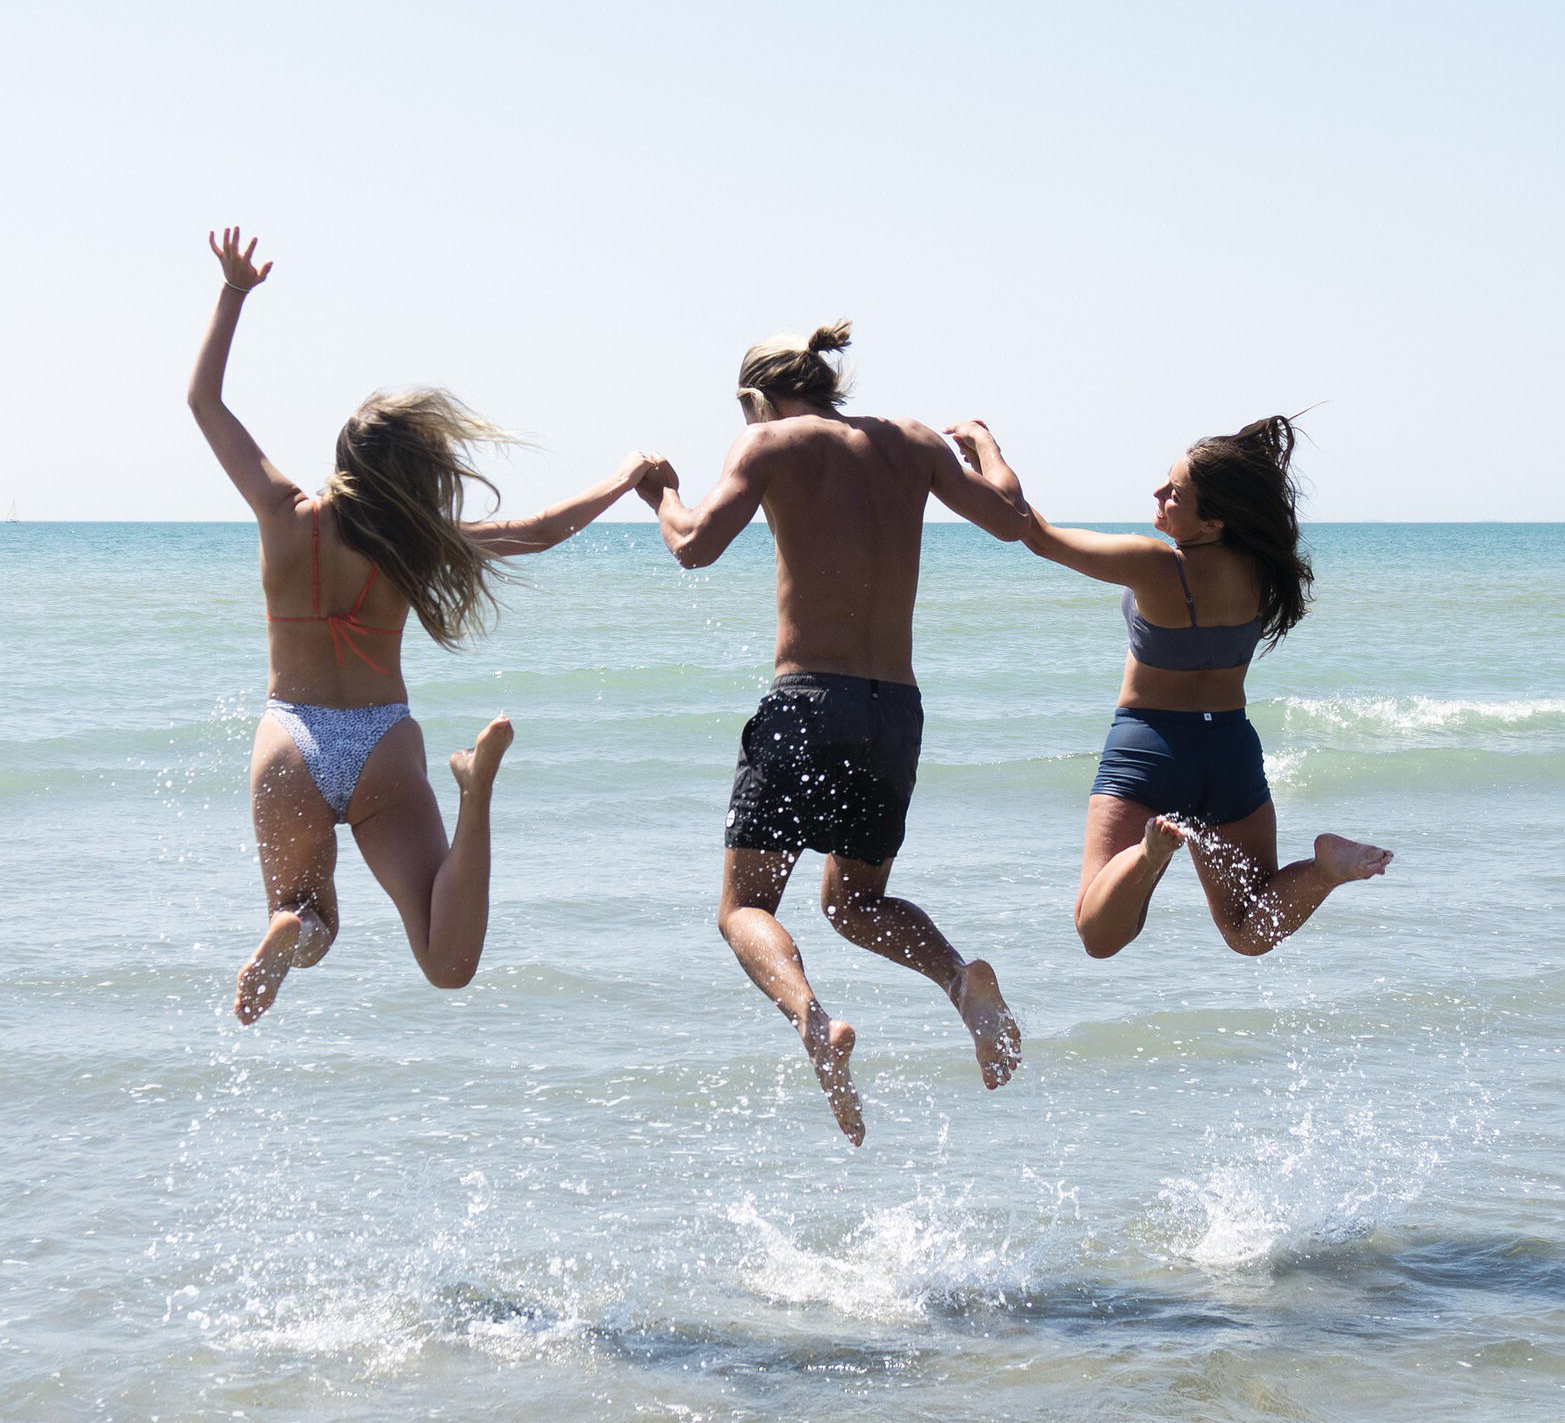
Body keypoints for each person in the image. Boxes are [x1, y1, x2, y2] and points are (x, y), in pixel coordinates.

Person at [189, 227, 660, 1023]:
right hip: (382, 741)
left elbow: (204, 402)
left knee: (318, 922)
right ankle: (474, 792)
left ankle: (287, 930)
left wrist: (234, 293)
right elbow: (541, 529)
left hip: (289, 738)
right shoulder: (418, 546)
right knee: (446, 962)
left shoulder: (283, 513)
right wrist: (623, 476)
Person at [636, 321, 1031, 1145]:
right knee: (856, 902)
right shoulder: (916, 442)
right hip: (893, 710)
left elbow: (693, 546)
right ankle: (960, 983)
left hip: (808, 701)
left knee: (744, 905)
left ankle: (814, 1021)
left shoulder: (769, 442)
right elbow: (1008, 516)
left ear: (755, 396)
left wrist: (661, 496)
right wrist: (986, 443)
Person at [945, 415, 1392, 958]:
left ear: (1215, 523)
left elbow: (1031, 532)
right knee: (1249, 931)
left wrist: (988, 452)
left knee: (1099, 932)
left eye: (1176, 492)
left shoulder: (1158, 565)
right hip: (1230, 751)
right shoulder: (1266, 572)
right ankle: (1324, 872)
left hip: (1150, 746)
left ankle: (1150, 855)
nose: (1158, 493)